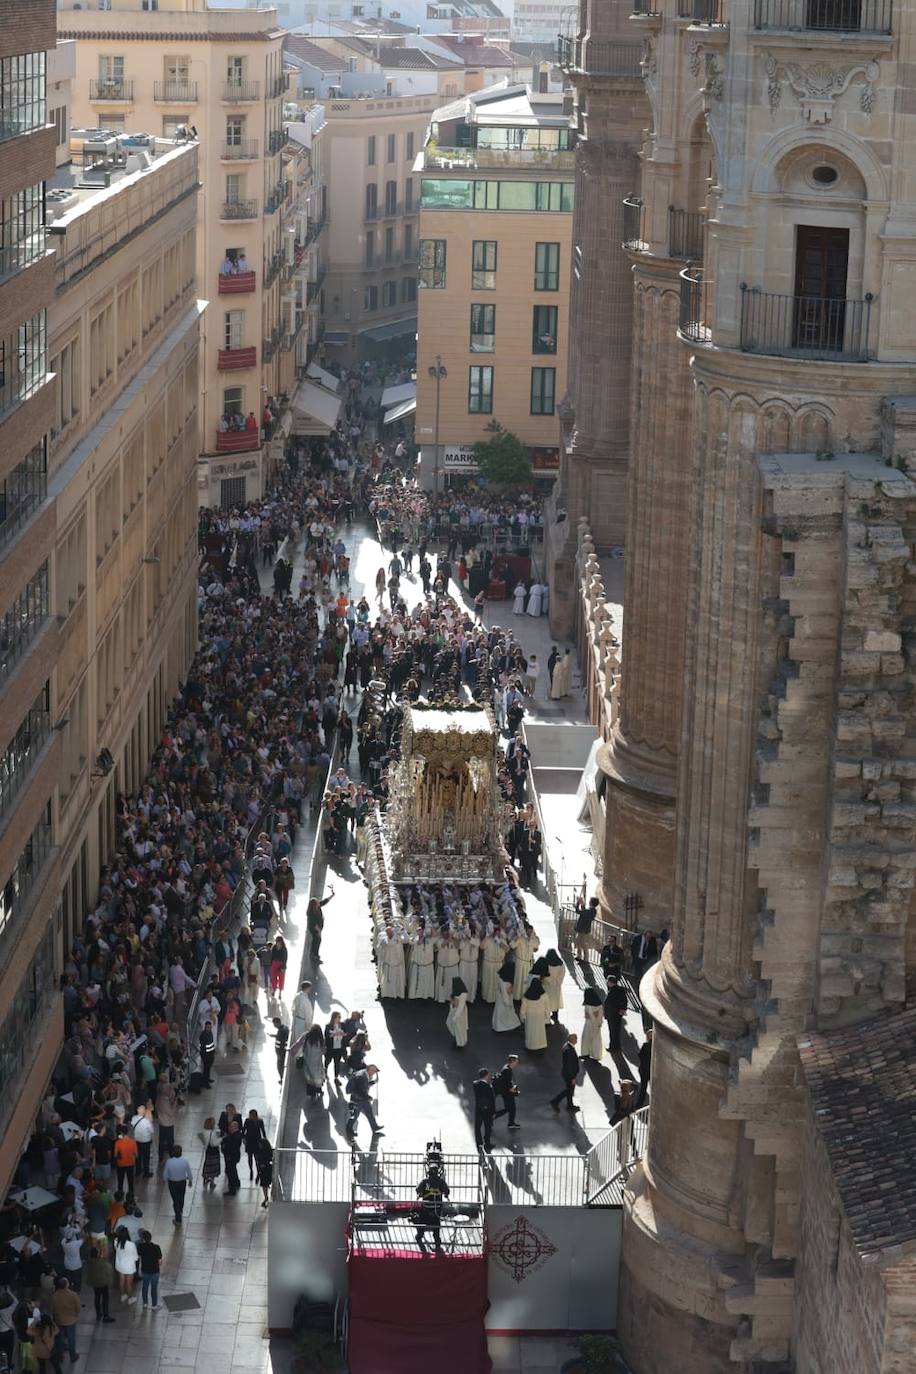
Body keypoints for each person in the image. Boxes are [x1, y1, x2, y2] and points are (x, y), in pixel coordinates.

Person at [414, 1162, 450, 1254]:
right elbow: (447, 1191)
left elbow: (417, 1189)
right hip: (436, 1209)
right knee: (436, 1227)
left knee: (422, 1224)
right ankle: (437, 1242)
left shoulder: (425, 1181)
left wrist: (421, 1193)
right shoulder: (441, 1182)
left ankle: (419, 1236)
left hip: (426, 1208)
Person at [345, 1064, 383, 1139]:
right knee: (355, 1115)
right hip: (357, 1099)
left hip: (363, 1098)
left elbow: (364, 1085)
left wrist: (373, 1082)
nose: (374, 1073)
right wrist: (368, 1097)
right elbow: (358, 1090)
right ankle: (349, 1130)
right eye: (373, 1071)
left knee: (369, 1113)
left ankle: (374, 1127)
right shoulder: (361, 1076)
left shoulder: (364, 1074)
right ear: (369, 1069)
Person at [49, 1279, 80, 1365]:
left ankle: (60, 1357)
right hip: (71, 1320)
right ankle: (73, 1356)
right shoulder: (73, 1295)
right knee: (71, 1338)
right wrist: (76, 1316)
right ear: (67, 1285)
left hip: (59, 1321)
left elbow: (51, 1309)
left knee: (59, 1339)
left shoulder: (54, 1296)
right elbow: (78, 1307)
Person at [550, 1033, 581, 1113]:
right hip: (569, 1074)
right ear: (572, 1040)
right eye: (576, 1038)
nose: (577, 1040)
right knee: (568, 1090)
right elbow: (570, 1065)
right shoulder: (569, 1050)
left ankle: (570, 1105)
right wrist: (573, 1077)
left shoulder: (567, 1046)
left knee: (570, 1090)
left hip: (566, 1073)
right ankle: (555, 1101)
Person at [162, 1145, 193, 1224]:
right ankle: (180, 1209)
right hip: (182, 1182)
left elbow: (165, 1172)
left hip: (172, 1183)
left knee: (175, 1199)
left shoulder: (169, 1162)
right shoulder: (185, 1161)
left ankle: (178, 1217)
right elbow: (189, 1171)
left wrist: (164, 1179)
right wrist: (190, 1180)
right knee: (181, 1197)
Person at [85, 1246, 115, 1324]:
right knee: (105, 1299)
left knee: (97, 1298)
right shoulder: (102, 1262)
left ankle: (98, 1314)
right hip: (103, 1283)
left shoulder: (89, 1263)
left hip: (95, 1283)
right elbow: (109, 1270)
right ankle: (106, 1316)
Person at [520, 977, 550, 1051]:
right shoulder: (544, 995)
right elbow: (547, 1008)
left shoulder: (526, 996)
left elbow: (523, 1008)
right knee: (540, 1031)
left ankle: (530, 1045)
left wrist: (522, 1017)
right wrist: (547, 1017)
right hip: (540, 1016)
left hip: (530, 1016)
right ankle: (541, 1045)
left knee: (530, 1032)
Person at [492, 959, 521, 1033]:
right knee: (505, 1013)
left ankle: (498, 1026)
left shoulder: (500, 976)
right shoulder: (505, 982)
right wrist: (508, 1003)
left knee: (499, 1013)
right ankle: (505, 1027)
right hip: (505, 1000)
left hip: (499, 998)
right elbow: (505, 994)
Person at [492, 1055, 521, 1131]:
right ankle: (493, 1116)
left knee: (510, 1109)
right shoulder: (508, 1071)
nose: (517, 1063)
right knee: (511, 1108)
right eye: (516, 1062)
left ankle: (510, 1123)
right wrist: (516, 1092)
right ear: (513, 1062)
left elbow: (507, 1083)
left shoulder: (506, 1067)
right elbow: (509, 1087)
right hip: (507, 1093)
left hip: (504, 1091)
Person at [306, 888, 334, 965]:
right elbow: (313, 924)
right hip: (314, 929)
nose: (319, 902)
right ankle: (315, 955)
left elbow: (324, 901)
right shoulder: (311, 913)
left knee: (315, 940)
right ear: (314, 905)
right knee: (317, 941)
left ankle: (312, 953)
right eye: (317, 902)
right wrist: (318, 932)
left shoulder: (317, 907)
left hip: (317, 928)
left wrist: (332, 895)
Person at [137, 1231, 162, 1311]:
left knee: (145, 1287)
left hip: (145, 1271)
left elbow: (139, 1256)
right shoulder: (156, 1247)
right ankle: (154, 1305)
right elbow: (160, 1261)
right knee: (154, 1288)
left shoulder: (140, 1247)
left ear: (142, 1239)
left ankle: (145, 1303)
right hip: (155, 1271)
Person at [472, 1068, 496, 1154]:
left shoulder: (475, 1084)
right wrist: (493, 1112)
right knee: (487, 1128)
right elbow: (492, 1100)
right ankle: (487, 1144)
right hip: (488, 1111)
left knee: (477, 1127)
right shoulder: (489, 1087)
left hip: (478, 1109)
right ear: (486, 1075)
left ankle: (479, 1144)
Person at [113, 1227, 139, 1304]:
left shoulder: (116, 1241)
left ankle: (123, 1296)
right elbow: (136, 1257)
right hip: (129, 1267)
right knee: (129, 1284)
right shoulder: (131, 1244)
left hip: (120, 1266)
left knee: (121, 1281)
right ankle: (130, 1298)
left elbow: (116, 1250)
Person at [604, 976, 628, 1053]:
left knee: (613, 1031)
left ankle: (613, 1046)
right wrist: (623, 1009)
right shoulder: (620, 989)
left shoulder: (613, 990)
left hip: (612, 1014)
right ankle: (617, 1046)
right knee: (617, 1030)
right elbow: (624, 1000)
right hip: (617, 1014)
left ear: (611, 982)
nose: (607, 982)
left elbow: (609, 1002)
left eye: (608, 981)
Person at [130, 1105, 155, 1179]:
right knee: (146, 1157)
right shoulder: (146, 1121)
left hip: (137, 1140)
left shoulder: (134, 1118)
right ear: (143, 1111)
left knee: (138, 1156)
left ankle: (138, 1171)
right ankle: (146, 1172)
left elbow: (132, 1125)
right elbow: (152, 1131)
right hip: (146, 1141)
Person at [242, 1110, 267, 1180]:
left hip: (256, 1141)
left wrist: (264, 1139)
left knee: (256, 1158)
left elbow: (263, 1131)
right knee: (250, 1157)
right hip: (250, 1141)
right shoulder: (248, 1121)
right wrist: (243, 1138)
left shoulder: (259, 1121)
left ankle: (258, 1172)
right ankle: (251, 1171)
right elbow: (244, 1130)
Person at [445, 977, 469, 1049]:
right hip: (454, 1010)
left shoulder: (464, 994)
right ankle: (457, 1037)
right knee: (450, 1023)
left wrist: (455, 1017)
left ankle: (461, 1042)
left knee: (460, 1027)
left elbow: (461, 1007)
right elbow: (452, 1002)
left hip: (460, 1013)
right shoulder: (455, 990)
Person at [581, 988, 605, 1061]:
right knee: (595, 1040)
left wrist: (589, 1016)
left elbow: (588, 1015)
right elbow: (600, 1016)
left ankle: (587, 1053)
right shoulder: (599, 1005)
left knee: (586, 1038)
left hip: (590, 1024)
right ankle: (594, 1054)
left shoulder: (589, 1005)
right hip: (595, 1024)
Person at [574, 894, 599, 960]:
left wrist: (578, 903)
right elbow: (583, 911)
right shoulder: (592, 910)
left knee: (583, 944)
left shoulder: (590, 910)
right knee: (578, 942)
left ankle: (585, 959)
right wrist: (582, 903)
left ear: (591, 902)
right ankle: (579, 956)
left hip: (583, 930)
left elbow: (579, 911)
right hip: (583, 929)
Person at [221, 1120, 243, 1196]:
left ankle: (232, 1189)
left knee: (230, 1172)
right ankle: (236, 1182)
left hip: (231, 1156)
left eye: (230, 1127)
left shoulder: (235, 1136)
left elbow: (232, 1147)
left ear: (234, 1127)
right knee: (233, 1170)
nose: (229, 1128)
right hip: (233, 1156)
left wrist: (225, 1146)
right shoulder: (236, 1135)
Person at [199, 1119, 221, 1191]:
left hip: (208, 1151)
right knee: (214, 1167)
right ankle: (212, 1181)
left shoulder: (203, 1132)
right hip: (214, 1151)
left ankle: (206, 1177)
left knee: (207, 1164)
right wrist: (221, 1139)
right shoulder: (214, 1132)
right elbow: (215, 1143)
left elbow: (203, 1141)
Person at [543, 948, 565, 1023]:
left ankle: (547, 1015)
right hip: (556, 986)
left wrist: (549, 980)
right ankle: (555, 1015)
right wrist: (558, 981)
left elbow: (544, 974)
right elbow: (562, 974)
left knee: (547, 1000)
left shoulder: (546, 963)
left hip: (547, 986)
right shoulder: (560, 964)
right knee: (556, 1000)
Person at [255, 1137, 274, 1209]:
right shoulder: (268, 1151)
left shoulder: (263, 1152)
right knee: (265, 1185)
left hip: (265, 1171)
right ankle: (266, 1198)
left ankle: (266, 1198)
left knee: (264, 1185)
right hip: (265, 1171)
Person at [637, 1028, 653, 1106]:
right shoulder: (656, 1047)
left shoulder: (645, 1045)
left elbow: (639, 1055)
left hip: (644, 1069)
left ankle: (639, 1104)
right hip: (651, 1070)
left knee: (643, 1087)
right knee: (653, 1087)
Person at [198, 1022, 216, 1087]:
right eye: (208, 1027)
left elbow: (211, 1043)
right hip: (206, 1055)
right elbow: (203, 1047)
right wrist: (205, 1055)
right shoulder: (203, 1035)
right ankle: (205, 1082)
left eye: (210, 1027)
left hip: (211, 1053)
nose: (209, 1028)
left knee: (208, 1068)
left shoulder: (210, 1033)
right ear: (205, 1027)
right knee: (206, 1068)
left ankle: (207, 1079)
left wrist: (213, 1051)